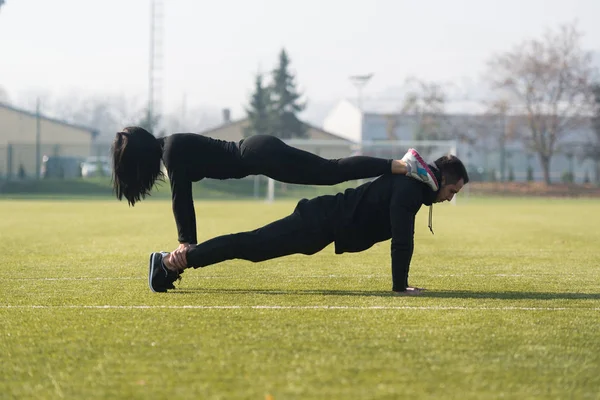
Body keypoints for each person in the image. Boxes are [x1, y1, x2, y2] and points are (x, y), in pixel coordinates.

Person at [111, 126, 439, 265]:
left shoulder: (172, 152)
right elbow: (181, 195)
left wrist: (186, 242)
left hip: (259, 155)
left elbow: (181, 198)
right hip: (259, 154)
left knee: (330, 171)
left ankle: (402, 164)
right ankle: (400, 164)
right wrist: (187, 240)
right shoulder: (171, 149)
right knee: (330, 171)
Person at [148, 154, 469, 294]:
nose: (450, 198)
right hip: (318, 221)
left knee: (252, 247)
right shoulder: (410, 188)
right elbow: (402, 240)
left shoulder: (413, 185)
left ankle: (174, 263)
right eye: (452, 191)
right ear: (441, 179)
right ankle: (170, 262)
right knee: (251, 246)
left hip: (321, 226)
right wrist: (401, 288)